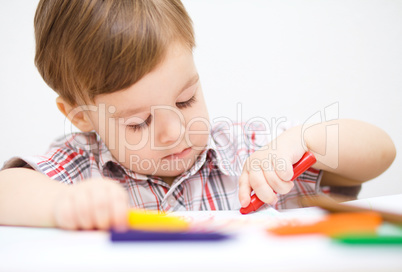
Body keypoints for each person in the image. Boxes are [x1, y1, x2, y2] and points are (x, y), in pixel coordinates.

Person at [0, 0, 396, 231]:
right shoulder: (82, 166)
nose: (173, 132)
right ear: (80, 116)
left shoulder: (251, 151)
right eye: (139, 122)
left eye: (186, 100)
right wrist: (61, 206)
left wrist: (306, 142)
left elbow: (382, 152)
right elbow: (7, 191)